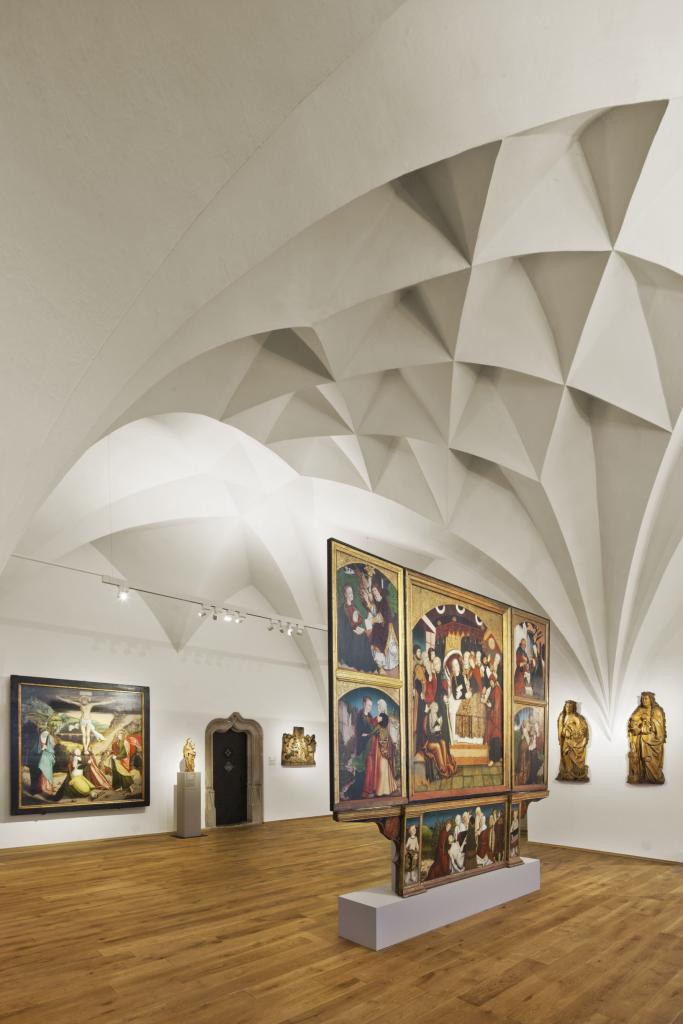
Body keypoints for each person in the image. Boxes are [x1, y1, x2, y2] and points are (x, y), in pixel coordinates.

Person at [627, 692, 667, 784]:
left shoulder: (656, 711)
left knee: (650, 760)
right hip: (642, 740)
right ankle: (643, 776)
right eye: (642, 699)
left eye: (646, 699)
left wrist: (645, 724)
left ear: (651, 699)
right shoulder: (639, 709)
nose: (644, 700)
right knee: (643, 759)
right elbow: (633, 720)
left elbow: (658, 729)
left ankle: (655, 777)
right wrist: (636, 726)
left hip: (653, 741)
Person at [362, 699, 399, 798]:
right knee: (378, 767)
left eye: (379, 706)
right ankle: (380, 789)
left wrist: (368, 734)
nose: (378, 707)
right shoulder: (380, 717)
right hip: (378, 744)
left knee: (382, 766)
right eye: (377, 706)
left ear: (383, 707)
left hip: (383, 744)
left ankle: (384, 789)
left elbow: (376, 729)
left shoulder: (383, 717)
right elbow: (374, 728)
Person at [338, 583, 376, 674]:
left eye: (352, 593)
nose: (351, 595)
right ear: (345, 594)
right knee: (360, 637)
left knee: (364, 636)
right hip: (349, 634)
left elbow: (360, 619)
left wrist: (358, 624)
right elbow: (344, 627)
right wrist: (354, 626)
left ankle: (367, 665)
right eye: (349, 593)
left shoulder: (354, 606)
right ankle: (358, 663)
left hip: (356, 629)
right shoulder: (342, 609)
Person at [366, 578, 399, 673]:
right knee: (376, 639)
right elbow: (374, 612)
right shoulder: (375, 601)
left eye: (375, 590)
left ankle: (390, 664)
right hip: (379, 626)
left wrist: (377, 618)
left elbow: (385, 614)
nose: (374, 593)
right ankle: (380, 664)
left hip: (387, 626)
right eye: (373, 591)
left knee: (390, 646)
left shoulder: (383, 600)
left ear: (378, 590)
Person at [423, 701, 457, 779]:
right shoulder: (427, 718)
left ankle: (445, 765)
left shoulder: (435, 716)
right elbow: (427, 733)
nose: (436, 709)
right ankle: (442, 769)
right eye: (434, 708)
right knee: (437, 746)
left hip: (433, 739)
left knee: (443, 742)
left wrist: (438, 729)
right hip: (426, 743)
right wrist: (435, 731)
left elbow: (437, 732)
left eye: (436, 708)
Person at [484, 673, 503, 766]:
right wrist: (489, 704)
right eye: (490, 682)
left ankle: (494, 759)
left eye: (492, 681)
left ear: (494, 681)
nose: (490, 683)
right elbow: (493, 703)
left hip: (495, 718)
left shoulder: (497, 690)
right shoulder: (494, 689)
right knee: (494, 737)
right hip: (494, 717)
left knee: (495, 738)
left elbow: (496, 705)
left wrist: (491, 708)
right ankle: (495, 758)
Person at [33, 728, 56, 796]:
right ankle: (44, 787)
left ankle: (47, 787)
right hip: (44, 758)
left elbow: (51, 747)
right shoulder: (42, 738)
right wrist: (43, 748)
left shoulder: (49, 738)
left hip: (47, 757)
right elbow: (38, 749)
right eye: (44, 734)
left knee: (47, 773)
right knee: (44, 773)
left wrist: (46, 748)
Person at [515, 717, 532, 786]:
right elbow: (528, 742)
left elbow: (522, 738)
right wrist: (531, 741)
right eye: (528, 725)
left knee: (522, 763)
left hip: (523, 749)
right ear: (525, 726)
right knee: (524, 764)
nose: (529, 727)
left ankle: (521, 780)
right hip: (524, 749)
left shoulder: (524, 731)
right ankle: (522, 780)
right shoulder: (525, 731)